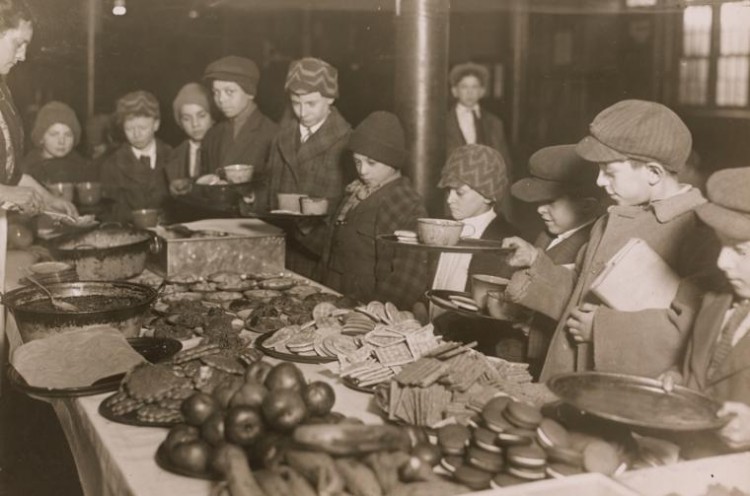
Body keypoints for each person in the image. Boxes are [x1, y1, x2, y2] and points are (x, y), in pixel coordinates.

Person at [502, 99, 721, 381]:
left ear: (653, 173)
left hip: (621, 392)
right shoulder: (611, 219)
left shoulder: (700, 234)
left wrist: (602, 329)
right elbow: (580, 293)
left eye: (610, 172)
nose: (599, 182)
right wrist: (536, 262)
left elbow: (694, 331)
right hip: (568, 376)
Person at [660, 167, 750, 453]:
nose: (722, 262)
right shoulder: (717, 297)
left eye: (741, 251)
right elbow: (704, 369)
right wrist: (678, 377)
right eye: (722, 245)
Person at [509, 144, 603, 377]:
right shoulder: (547, 234)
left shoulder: (590, 247)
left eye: (550, 201)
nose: (540, 209)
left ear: (587, 205)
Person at [324, 111, 429, 309]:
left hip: (366, 305)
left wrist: (373, 312)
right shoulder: (354, 193)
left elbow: (408, 277)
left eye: (371, 162)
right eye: (357, 161)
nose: (362, 170)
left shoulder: (406, 203)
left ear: (393, 162)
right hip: (334, 296)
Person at [426, 144, 520, 358]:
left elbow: (492, 320)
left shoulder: (506, 242)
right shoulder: (442, 228)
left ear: (489, 195)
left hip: (471, 351)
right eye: (448, 190)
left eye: (459, 192)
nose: (450, 199)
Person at [267, 57, 352, 280]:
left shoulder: (347, 142)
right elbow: (270, 189)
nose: (302, 112)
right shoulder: (281, 138)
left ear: (331, 98)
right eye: (296, 103)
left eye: (311, 103)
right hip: (281, 248)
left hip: (320, 255)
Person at [200, 56, 278, 181]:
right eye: (216, 92)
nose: (221, 99)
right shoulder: (212, 135)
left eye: (229, 91)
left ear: (250, 93)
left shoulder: (273, 135)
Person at [101, 90, 172, 223]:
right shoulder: (111, 165)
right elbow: (108, 213)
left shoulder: (173, 157)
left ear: (156, 124)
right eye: (129, 129)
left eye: (143, 128)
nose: (136, 134)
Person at [21, 101, 96, 185]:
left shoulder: (82, 168)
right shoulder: (28, 169)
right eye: (54, 134)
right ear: (41, 138)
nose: (61, 141)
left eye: (68, 135)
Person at [165, 82, 215, 195]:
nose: (195, 124)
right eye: (187, 119)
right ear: (180, 123)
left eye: (201, 116)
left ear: (212, 116)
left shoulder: (224, 148)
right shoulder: (173, 156)